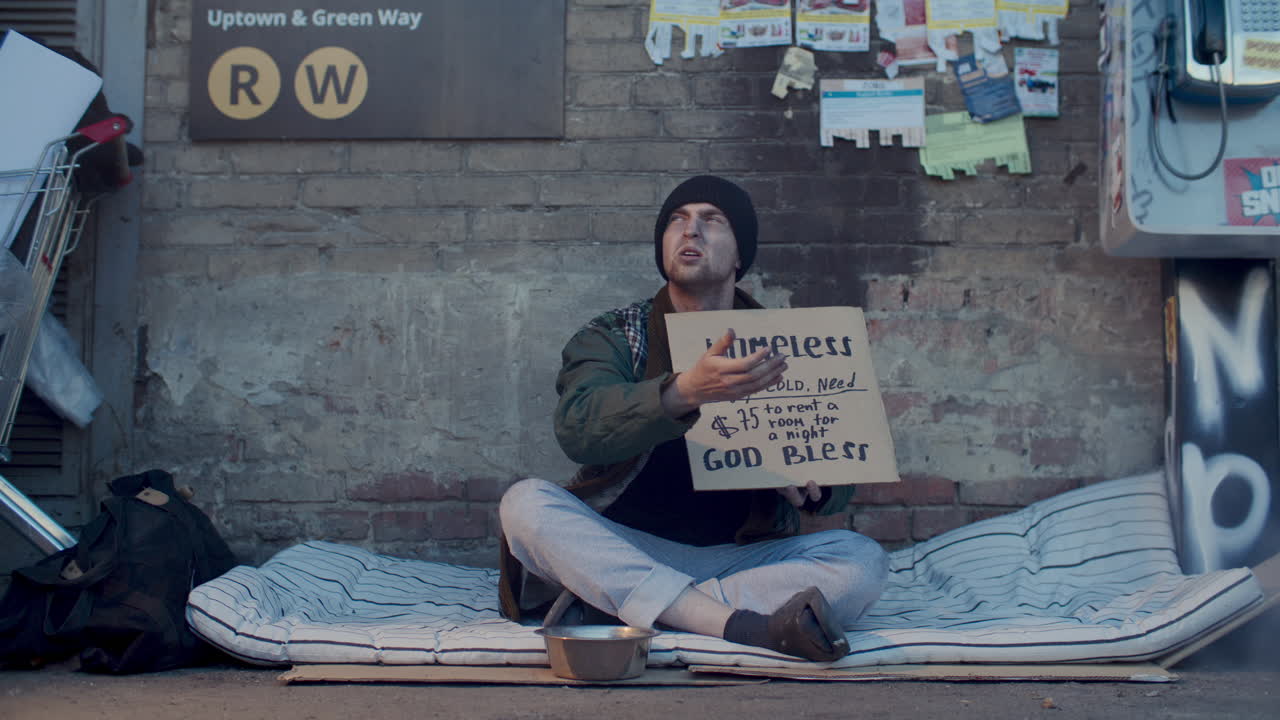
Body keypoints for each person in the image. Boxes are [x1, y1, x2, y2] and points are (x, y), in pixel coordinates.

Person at [498, 176, 888, 662]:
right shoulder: (616, 335)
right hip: (624, 546)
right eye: (677, 221)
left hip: (739, 559)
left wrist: (816, 481)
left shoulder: (791, 344)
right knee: (525, 505)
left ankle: (631, 607)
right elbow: (579, 429)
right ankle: (735, 624)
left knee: (862, 561)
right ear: (662, 246)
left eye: (712, 220)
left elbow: (838, 476)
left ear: (741, 253)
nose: (691, 231)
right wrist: (683, 391)